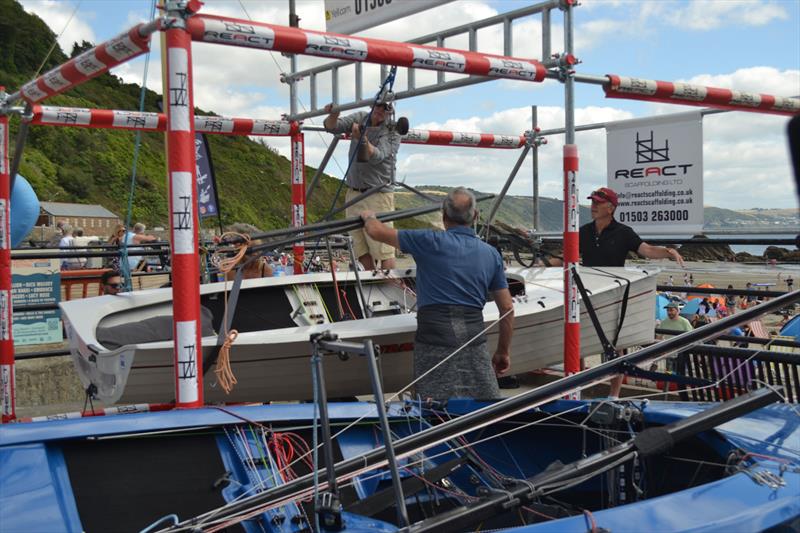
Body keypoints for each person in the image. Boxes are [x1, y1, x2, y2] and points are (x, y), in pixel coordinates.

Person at [360, 187, 515, 400]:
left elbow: (375, 231)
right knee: (482, 410)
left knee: (431, 411)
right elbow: (507, 308)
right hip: (473, 342)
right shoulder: (491, 254)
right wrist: (503, 351)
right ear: (476, 217)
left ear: (443, 216)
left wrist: (368, 217)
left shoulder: (428, 241)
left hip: (433, 342)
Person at [542, 187, 685, 397]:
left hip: (613, 295)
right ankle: (577, 388)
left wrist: (668, 251)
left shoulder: (624, 232)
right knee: (579, 340)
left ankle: (614, 395)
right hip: (587, 292)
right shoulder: (584, 231)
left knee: (615, 346)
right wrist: (541, 265)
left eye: (598, 203)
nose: (593, 206)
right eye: (592, 202)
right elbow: (566, 257)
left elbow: (645, 250)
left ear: (611, 208)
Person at [324, 101, 401, 271]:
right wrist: (334, 113)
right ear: (372, 105)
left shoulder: (393, 132)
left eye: (386, 108)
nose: (381, 110)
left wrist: (362, 139)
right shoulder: (360, 117)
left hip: (378, 195)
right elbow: (331, 127)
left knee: (383, 249)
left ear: (391, 112)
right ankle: (371, 285)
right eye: (379, 105)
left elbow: (378, 156)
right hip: (353, 192)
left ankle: (390, 286)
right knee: (359, 248)